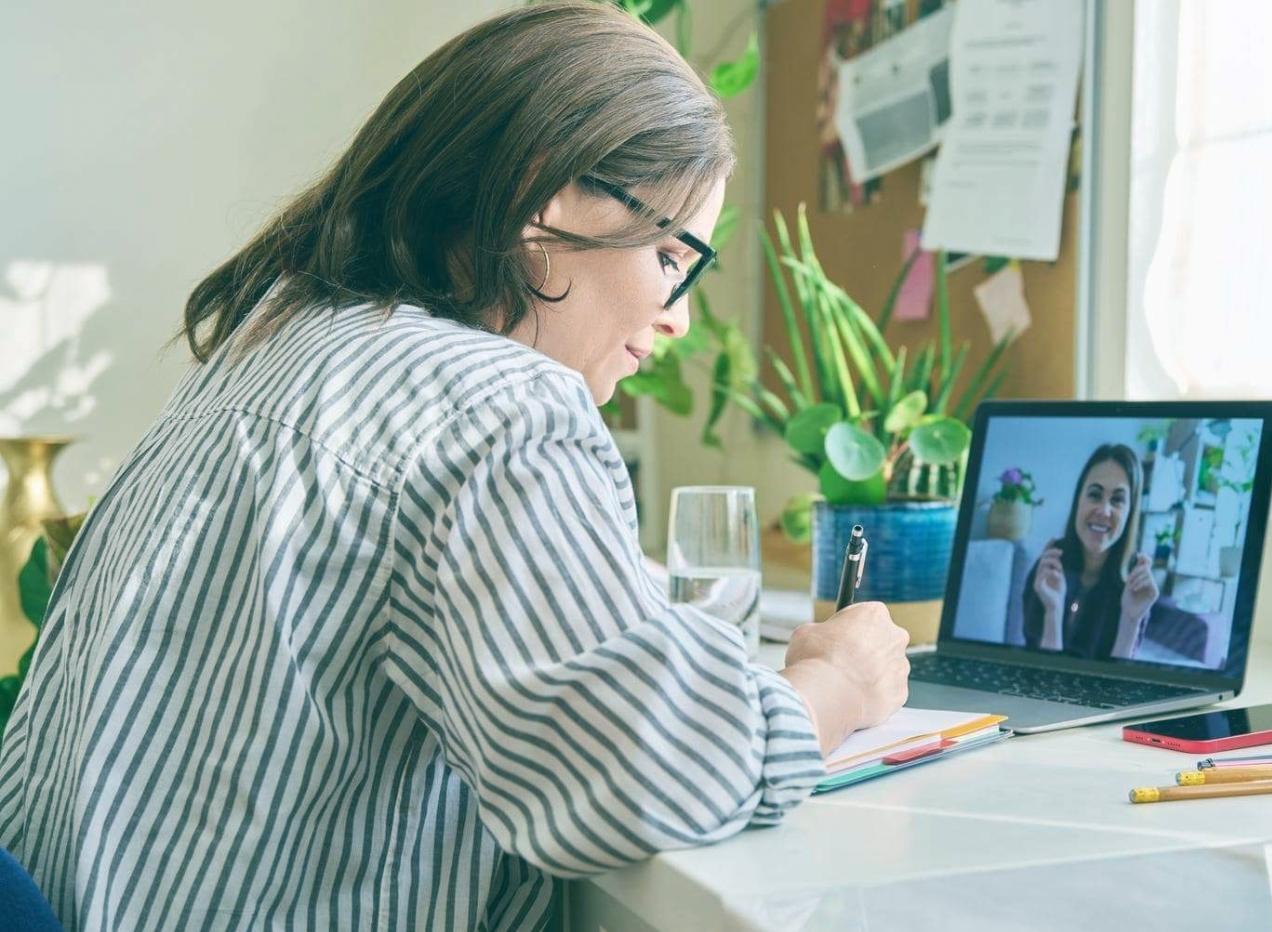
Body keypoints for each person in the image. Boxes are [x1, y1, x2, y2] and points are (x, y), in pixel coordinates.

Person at [0, 4, 909, 929]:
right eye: (674, 253)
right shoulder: (491, 404)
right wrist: (831, 688)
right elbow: (643, 781)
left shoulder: (275, 339)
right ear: (545, 196)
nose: (677, 314)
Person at [1023, 444, 1159, 661]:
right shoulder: (1048, 568)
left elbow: (1117, 688)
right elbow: (1040, 679)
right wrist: (1053, 612)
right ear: (1079, 499)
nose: (1104, 511)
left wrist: (1131, 620)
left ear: (1130, 513)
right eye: (1095, 495)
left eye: (1117, 500)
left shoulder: (1136, 583)